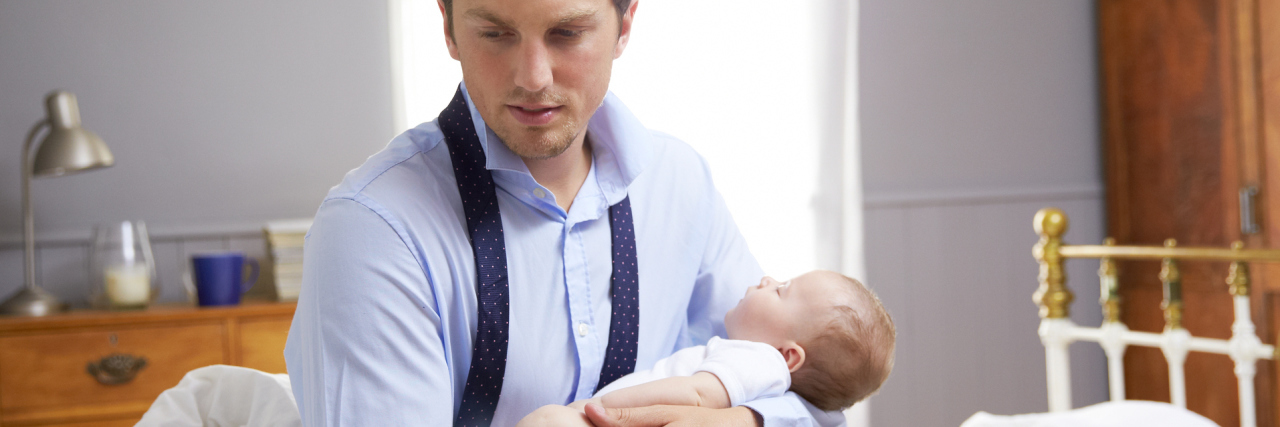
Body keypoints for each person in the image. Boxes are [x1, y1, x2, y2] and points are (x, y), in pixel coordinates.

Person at [283, 0, 847, 425]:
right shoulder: (373, 230)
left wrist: (740, 420)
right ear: (448, 28)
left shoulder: (680, 182)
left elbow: (814, 389)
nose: (533, 78)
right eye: (495, 33)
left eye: (567, 33)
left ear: (624, 26)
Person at [517, 271, 896, 426]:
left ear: (789, 356)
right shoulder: (761, 371)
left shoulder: (759, 360)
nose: (767, 279)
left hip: (608, 421)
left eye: (782, 290)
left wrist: (593, 409)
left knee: (550, 420)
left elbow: (696, 396)